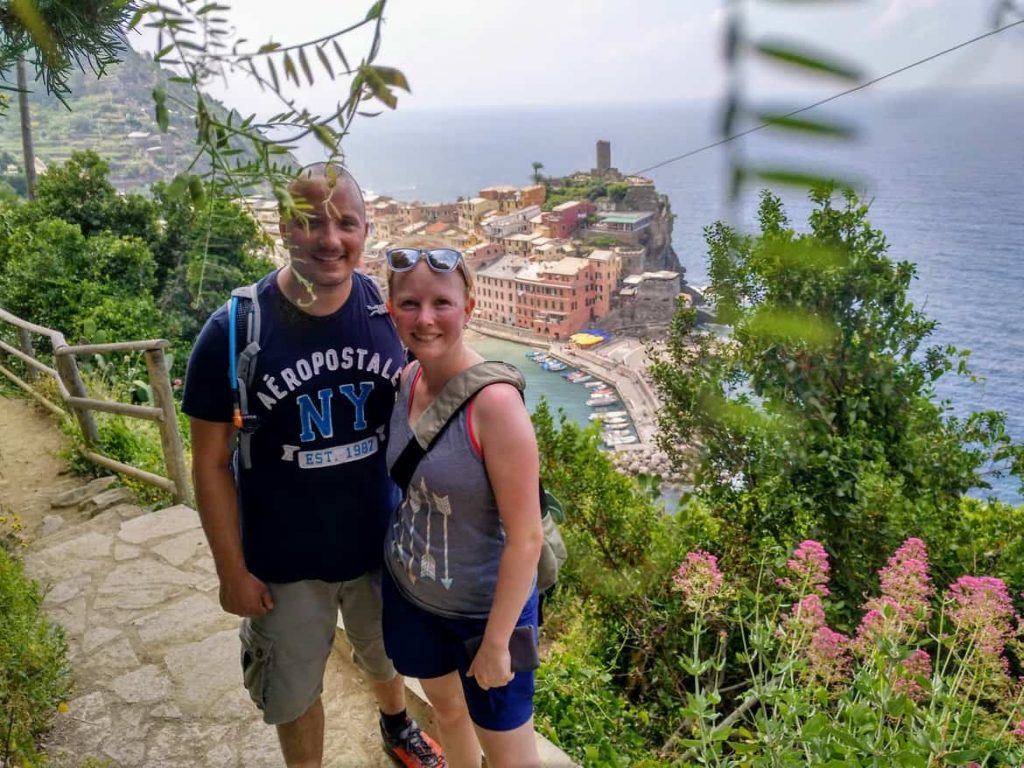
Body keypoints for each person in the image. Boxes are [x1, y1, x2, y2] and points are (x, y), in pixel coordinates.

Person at [183, 164, 445, 768]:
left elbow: (438, 386)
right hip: (285, 566)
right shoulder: (233, 332)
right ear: (284, 227)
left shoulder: (388, 315)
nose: (330, 239)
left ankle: (396, 724)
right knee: (296, 689)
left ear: (366, 229)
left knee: (383, 657)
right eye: (310, 221)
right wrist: (231, 572)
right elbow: (210, 464)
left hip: (381, 552)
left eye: (346, 223)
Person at [382, 236, 544, 768]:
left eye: (441, 304)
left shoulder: (495, 406)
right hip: (416, 594)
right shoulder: (407, 381)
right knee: (448, 714)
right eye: (410, 303)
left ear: (468, 309)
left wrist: (498, 643)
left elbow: (526, 538)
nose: (425, 318)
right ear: (391, 310)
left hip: (484, 614)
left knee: (509, 752)